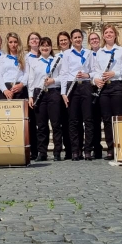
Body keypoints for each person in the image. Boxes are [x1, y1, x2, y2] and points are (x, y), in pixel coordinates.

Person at [92, 25, 122, 160]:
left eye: (111, 32)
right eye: (106, 32)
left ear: (115, 35)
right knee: (106, 119)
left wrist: (114, 73)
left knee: (118, 118)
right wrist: (96, 80)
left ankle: (121, 147)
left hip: (118, 86)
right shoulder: (99, 52)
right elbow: (96, 70)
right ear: (103, 35)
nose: (109, 34)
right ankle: (111, 148)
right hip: (104, 88)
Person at [61, 28, 94, 161]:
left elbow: (94, 71)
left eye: (79, 37)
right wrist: (63, 93)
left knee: (88, 119)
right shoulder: (67, 54)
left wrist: (87, 75)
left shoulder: (89, 53)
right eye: (75, 38)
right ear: (71, 40)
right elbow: (64, 73)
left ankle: (88, 150)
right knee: (73, 120)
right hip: (72, 86)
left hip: (85, 85)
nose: (77, 39)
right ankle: (75, 150)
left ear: (82, 38)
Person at [28, 37, 63, 161]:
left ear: (51, 47)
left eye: (47, 45)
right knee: (41, 125)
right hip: (39, 93)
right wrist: (30, 96)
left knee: (56, 124)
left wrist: (53, 80)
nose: (45, 48)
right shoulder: (34, 62)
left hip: (54, 92)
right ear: (39, 47)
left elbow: (63, 77)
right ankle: (42, 152)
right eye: (43, 45)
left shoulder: (57, 60)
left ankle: (57, 152)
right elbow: (31, 80)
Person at [86, 31, 104, 158]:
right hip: (93, 88)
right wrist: (94, 80)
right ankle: (96, 147)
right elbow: (87, 72)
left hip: (105, 87)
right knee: (94, 120)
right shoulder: (87, 55)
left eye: (96, 38)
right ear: (89, 42)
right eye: (91, 39)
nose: (94, 41)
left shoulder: (104, 52)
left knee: (106, 118)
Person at [56, 31, 73, 159]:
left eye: (65, 40)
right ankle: (67, 149)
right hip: (59, 91)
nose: (63, 42)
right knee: (63, 121)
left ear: (69, 40)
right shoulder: (56, 57)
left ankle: (73, 149)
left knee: (72, 120)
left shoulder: (74, 54)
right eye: (61, 40)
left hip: (72, 89)